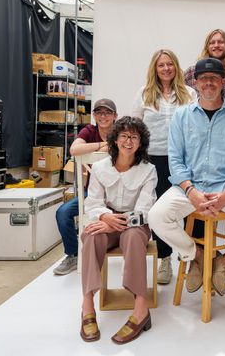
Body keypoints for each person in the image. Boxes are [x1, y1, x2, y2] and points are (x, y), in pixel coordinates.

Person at [148, 57, 225, 297]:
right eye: (204, 79)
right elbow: (175, 161)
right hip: (190, 188)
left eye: (214, 78)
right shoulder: (181, 116)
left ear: (223, 82)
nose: (209, 83)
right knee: (156, 216)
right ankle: (197, 256)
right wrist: (192, 193)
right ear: (195, 83)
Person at [80, 116, 157, 344]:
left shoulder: (148, 170)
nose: (128, 141)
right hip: (108, 221)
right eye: (123, 135)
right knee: (91, 234)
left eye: (134, 136)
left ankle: (141, 308)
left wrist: (114, 220)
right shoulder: (100, 168)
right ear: (114, 140)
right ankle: (87, 306)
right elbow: (93, 203)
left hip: (136, 224)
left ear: (141, 142)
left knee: (133, 237)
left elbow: (145, 209)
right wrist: (105, 217)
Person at [132, 49, 197, 285]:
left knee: (190, 206)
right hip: (154, 159)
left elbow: (197, 126)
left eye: (170, 64)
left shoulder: (189, 93)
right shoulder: (144, 93)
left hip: (183, 159)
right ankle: (165, 258)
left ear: (176, 67)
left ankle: (192, 258)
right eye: (161, 65)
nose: (166, 68)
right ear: (155, 69)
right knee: (158, 209)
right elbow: (135, 127)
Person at [53, 98, 117, 276]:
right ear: (94, 115)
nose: (103, 116)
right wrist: (102, 145)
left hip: (119, 193)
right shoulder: (90, 130)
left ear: (115, 116)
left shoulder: (121, 130)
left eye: (107, 113)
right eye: (99, 113)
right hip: (93, 193)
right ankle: (73, 255)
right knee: (63, 213)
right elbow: (74, 149)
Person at [184, 29, 225, 97]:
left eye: (221, 42)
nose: (216, 45)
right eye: (212, 42)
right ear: (207, 47)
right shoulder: (190, 73)